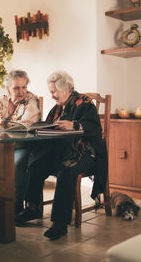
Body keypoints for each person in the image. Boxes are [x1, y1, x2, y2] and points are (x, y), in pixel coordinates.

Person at [16, 71, 108, 240]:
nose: (52, 96)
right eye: (50, 92)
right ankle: (32, 208)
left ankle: (60, 224)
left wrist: (73, 125)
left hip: (87, 153)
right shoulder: (58, 107)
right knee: (36, 163)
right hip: (61, 151)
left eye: (54, 92)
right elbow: (50, 126)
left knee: (67, 169)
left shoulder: (85, 103)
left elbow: (94, 127)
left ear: (66, 88)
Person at [0, 69, 41, 214]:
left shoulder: (32, 100)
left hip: (24, 145)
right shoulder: (0, 100)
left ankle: (16, 205)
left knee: (16, 164)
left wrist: (3, 124)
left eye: (24, 87)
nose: (21, 91)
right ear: (8, 88)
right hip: (1, 146)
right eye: (16, 88)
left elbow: (27, 124)